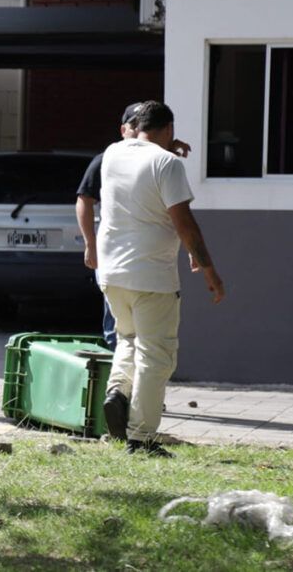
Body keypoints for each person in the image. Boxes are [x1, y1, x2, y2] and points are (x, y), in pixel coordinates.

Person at [97, 101, 225, 457]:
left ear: (133, 125)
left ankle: (118, 393)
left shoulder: (111, 155)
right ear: (168, 130)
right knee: (157, 356)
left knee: (128, 338)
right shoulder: (167, 164)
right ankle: (142, 437)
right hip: (151, 276)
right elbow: (185, 223)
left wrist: (167, 142)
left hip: (111, 273)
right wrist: (210, 270)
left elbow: (141, 148)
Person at [76, 102, 192, 350]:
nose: (137, 130)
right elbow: (84, 200)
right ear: (124, 129)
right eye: (133, 125)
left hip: (143, 264)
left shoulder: (159, 160)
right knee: (120, 332)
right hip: (116, 258)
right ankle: (119, 375)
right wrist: (90, 244)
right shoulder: (108, 159)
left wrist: (168, 146)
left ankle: (122, 384)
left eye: (142, 125)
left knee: (139, 336)